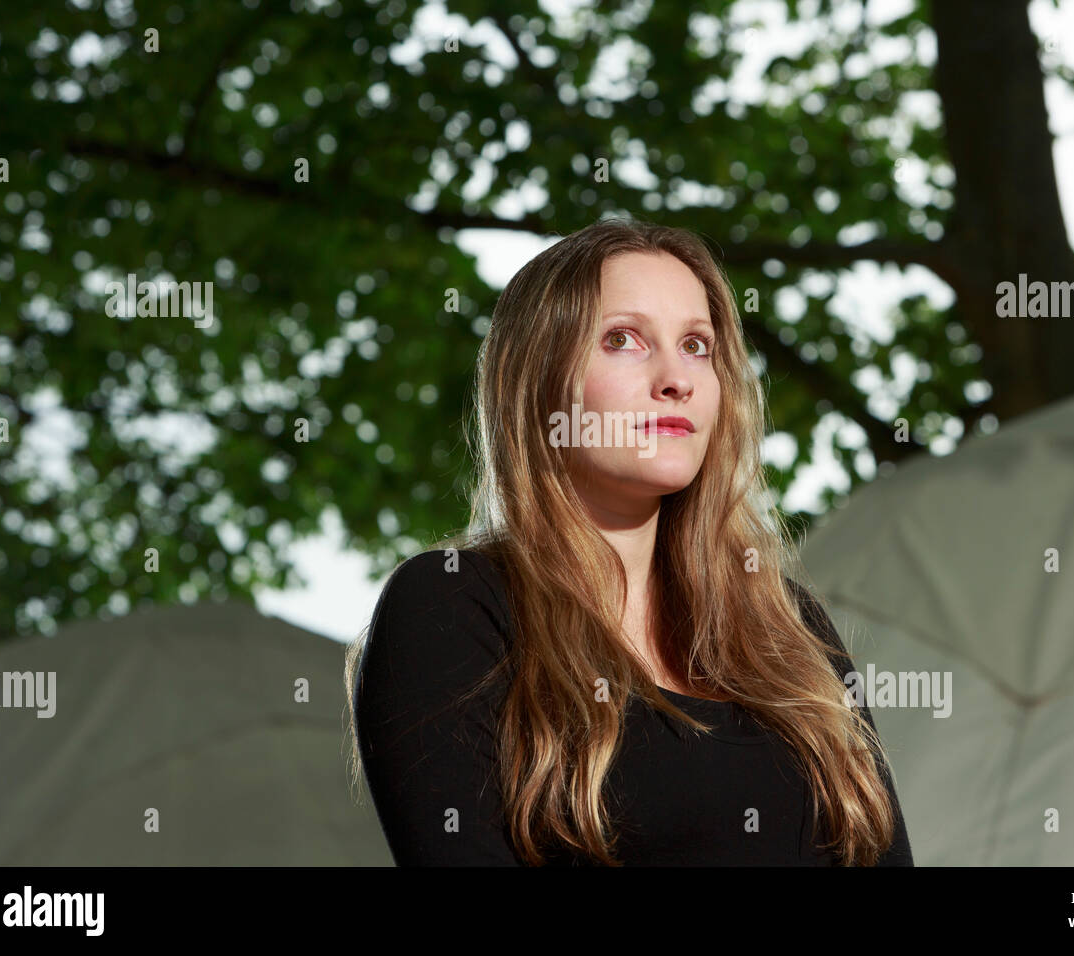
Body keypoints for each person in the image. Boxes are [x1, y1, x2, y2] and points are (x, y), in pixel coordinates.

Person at [344, 218, 913, 866]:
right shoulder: (452, 605)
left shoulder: (786, 624)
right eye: (623, 339)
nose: (677, 377)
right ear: (539, 382)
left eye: (697, 345)